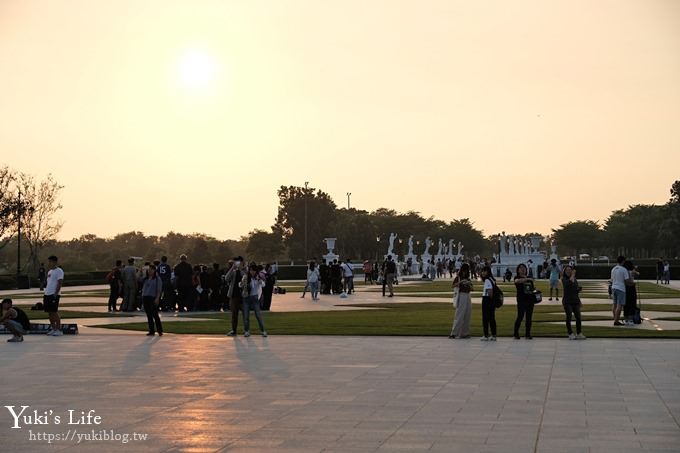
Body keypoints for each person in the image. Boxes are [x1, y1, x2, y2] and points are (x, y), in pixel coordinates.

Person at [240, 264, 267, 337]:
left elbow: (264, 285)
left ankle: (263, 331)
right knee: (246, 316)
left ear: (256, 271)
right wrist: (242, 283)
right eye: (251, 270)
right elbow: (240, 285)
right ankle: (246, 330)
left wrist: (259, 280)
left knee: (258, 315)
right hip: (246, 298)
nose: (252, 272)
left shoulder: (258, 277)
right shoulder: (246, 277)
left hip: (255, 298)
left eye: (253, 270)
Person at [561, 266, 585, 339]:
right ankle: (570, 333)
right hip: (567, 301)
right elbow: (568, 284)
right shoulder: (563, 279)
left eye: (570, 270)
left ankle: (579, 333)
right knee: (569, 317)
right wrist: (573, 275)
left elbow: (575, 290)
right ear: (564, 272)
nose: (568, 271)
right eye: (567, 270)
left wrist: (578, 290)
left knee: (578, 317)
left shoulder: (574, 279)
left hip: (575, 300)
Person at [449, 263, 473, 339]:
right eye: (464, 270)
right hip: (461, 295)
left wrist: (468, 284)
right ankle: (454, 332)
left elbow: (472, 289)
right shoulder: (458, 277)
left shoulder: (468, 279)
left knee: (467, 314)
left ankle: (464, 333)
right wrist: (460, 282)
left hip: (468, 295)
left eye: (466, 271)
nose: (465, 272)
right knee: (459, 314)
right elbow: (453, 286)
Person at [513, 263, 535, 340]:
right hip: (521, 299)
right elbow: (517, 281)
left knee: (529, 318)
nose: (522, 269)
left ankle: (527, 334)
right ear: (518, 270)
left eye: (524, 268)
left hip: (530, 300)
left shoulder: (529, 278)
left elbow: (532, 288)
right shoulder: (517, 277)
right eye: (521, 268)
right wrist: (527, 279)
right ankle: (516, 333)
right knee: (520, 316)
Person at [44, 255, 64, 336]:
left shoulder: (59, 271)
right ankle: (53, 328)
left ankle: (58, 329)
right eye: (49, 261)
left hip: (54, 294)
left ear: (55, 262)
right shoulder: (50, 271)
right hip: (47, 294)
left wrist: (56, 293)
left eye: (50, 261)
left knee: (54, 312)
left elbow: (60, 282)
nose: (49, 263)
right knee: (49, 312)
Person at [224, 257, 245, 336]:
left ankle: (246, 330)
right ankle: (234, 330)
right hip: (234, 295)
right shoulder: (233, 272)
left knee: (245, 314)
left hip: (242, 296)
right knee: (234, 314)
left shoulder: (244, 271)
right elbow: (226, 278)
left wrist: (242, 269)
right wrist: (233, 267)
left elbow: (246, 279)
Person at [141, 265, 163, 336]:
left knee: (155, 314)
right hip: (145, 297)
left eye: (151, 270)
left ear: (154, 270)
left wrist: (157, 298)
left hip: (152, 298)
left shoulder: (157, 279)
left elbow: (159, 290)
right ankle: (151, 330)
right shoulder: (146, 279)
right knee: (149, 315)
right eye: (148, 270)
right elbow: (137, 279)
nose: (149, 271)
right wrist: (140, 271)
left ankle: (159, 330)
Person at [610, 256, 629, 326]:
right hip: (621, 288)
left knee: (614, 304)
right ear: (623, 261)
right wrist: (632, 283)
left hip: (614, 287)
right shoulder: (624, 269)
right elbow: (626, 280)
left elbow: (612, 279)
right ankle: (616, 321)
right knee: (619, 305)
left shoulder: (613, 269)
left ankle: (615, 319)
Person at [480, 265, 496, 341]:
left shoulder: (487, 280)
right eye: (482, 271)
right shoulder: (492, 279)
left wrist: (489, 300)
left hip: (487, 299)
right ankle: (493, 334)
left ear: (488, 272)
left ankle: (486, 335)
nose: (483, 272)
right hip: (491, 300)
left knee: (485, 318)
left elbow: (490, 291)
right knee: (491, 318)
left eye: (484, 271)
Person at [623, 260, 639, 326]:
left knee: (626, 303)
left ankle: (626, 319)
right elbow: (638, 274)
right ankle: (631, 319)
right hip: (631, 287)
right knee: (632, 303)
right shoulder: (632, 271)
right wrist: (635, 268)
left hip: (624, 288)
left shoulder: (624, 271)